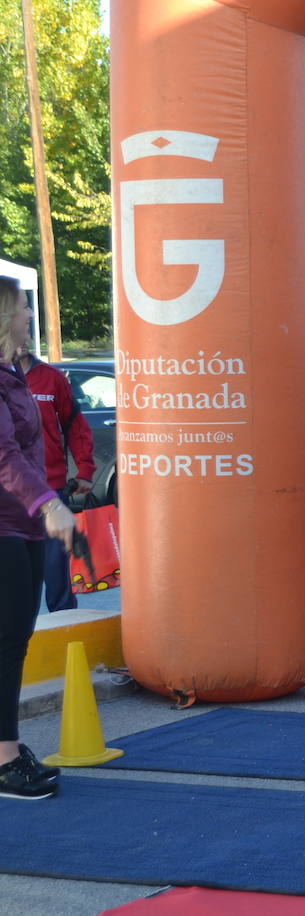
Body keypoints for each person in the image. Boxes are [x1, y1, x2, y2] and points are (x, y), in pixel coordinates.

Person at [1, 277, 72, 799]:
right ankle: (4, 760)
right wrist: (48, 503)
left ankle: (6, 746)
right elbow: (4, 456)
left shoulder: (13, 374)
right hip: (6, 524)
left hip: (21, 524)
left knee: (13, 643)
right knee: (5, 645)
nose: (30, 316)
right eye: (25, 308)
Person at [16, 345, 95, 612]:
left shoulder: (52, 377)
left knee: (55, 569)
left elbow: (75, 425)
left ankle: (64, 626)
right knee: (13, 573)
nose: (23, 338)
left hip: (51, 486)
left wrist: (84, 469)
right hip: (9, 491)